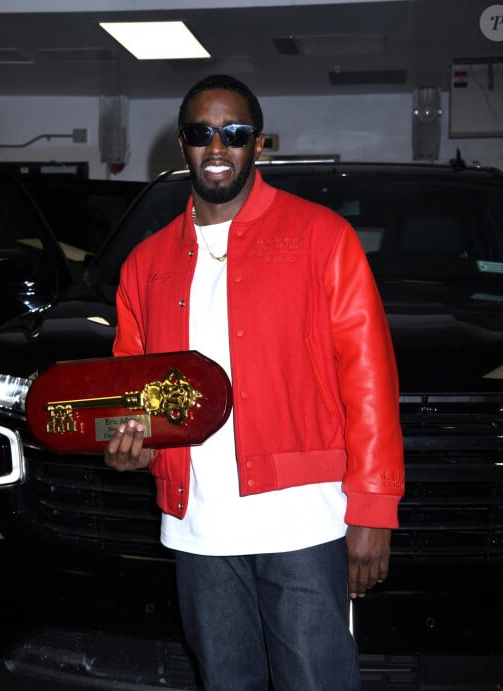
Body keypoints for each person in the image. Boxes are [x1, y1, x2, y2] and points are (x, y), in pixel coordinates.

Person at [104, 73, 404, 691]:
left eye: (234, 133)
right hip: (197, 528)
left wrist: (373, 508)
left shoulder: (323, 238)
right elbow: (130, 395)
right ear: (182, 145)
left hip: (303, 522)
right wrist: (125, 443)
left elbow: (368, 379)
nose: (218, 147)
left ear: (258, 143)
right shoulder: (145, 265)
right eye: (201, 133)